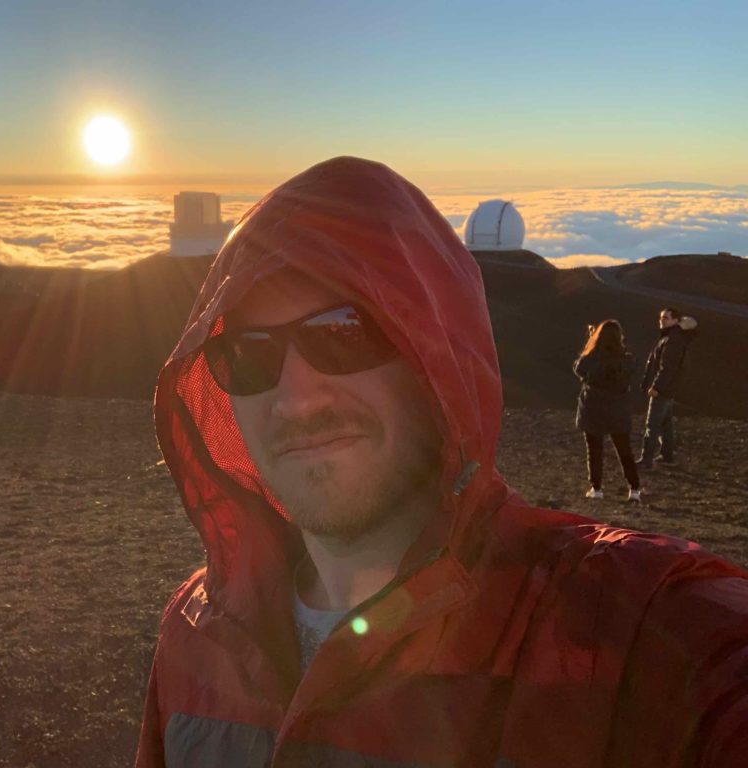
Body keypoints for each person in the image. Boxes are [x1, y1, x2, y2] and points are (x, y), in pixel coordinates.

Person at [136, 157, 748, 767]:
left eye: (344, 332)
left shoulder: (632, 629)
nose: (296, 399)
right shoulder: (195, 634)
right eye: (247, 353)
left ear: (438, 358)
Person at [573, 320, 641, 501]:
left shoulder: (591, 359)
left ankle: (596, 488)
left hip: (594, 408)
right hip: (618, 410)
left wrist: (590, 342)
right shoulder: (627, 360)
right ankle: (634, 489)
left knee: (594, 450)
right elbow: (631, 372)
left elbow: (578, 369)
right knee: (625, 450)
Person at [637, 307, 698, 469]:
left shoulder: (672, 339)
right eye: (661, 318)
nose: (662, 320)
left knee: (653, 424)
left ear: (675, 321)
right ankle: (667, 455)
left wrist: (656, 387)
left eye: (666, 318)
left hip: (663, 390)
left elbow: (667, 367)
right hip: (669, 389)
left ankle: (646, 459)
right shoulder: (673, 338)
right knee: (665, 423)